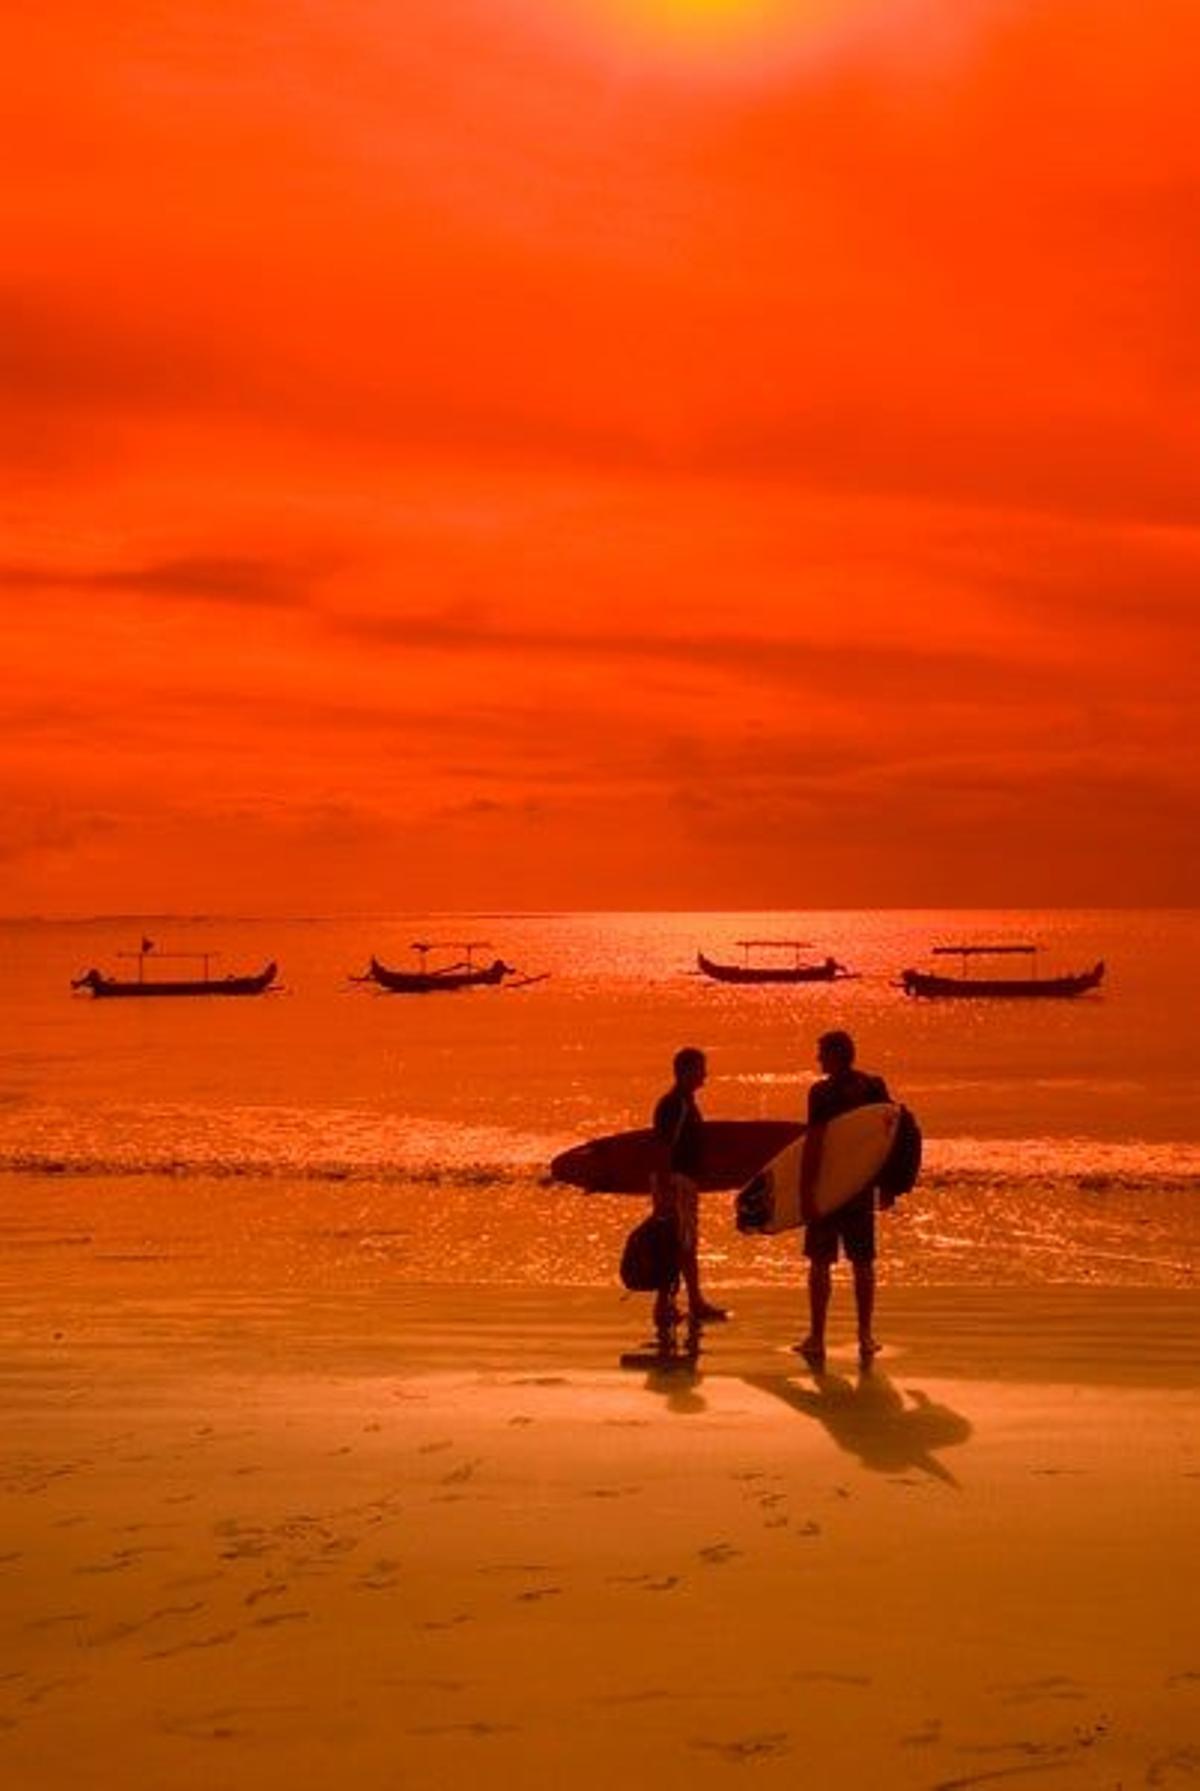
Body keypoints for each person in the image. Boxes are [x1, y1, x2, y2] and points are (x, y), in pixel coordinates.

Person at [797, 1029, 891, 1371]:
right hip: (860, 1187)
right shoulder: (872, 1087)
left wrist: (805, 1191)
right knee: (862, 1261)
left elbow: (814, 1143)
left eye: (822, 1053)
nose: (818, 1059)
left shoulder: (820, 1093)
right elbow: (888, 1137)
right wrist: (887, 1186)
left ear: (836, 1055)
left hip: (829, 1189)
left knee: (820, 1262)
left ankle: (817, 1338)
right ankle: (865, 1335)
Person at [649, 1046, 729, 1335]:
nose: (705, 1075)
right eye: (700, 1069)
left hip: (682, 1182)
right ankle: (680, 1303)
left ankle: (681, 1302)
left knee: (682, 1244)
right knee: (678, 1245)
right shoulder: (674, 1104)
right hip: (676, 1183)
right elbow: (662, 1147)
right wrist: (666, 1188)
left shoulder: (684, 1102)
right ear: (685, 1072)